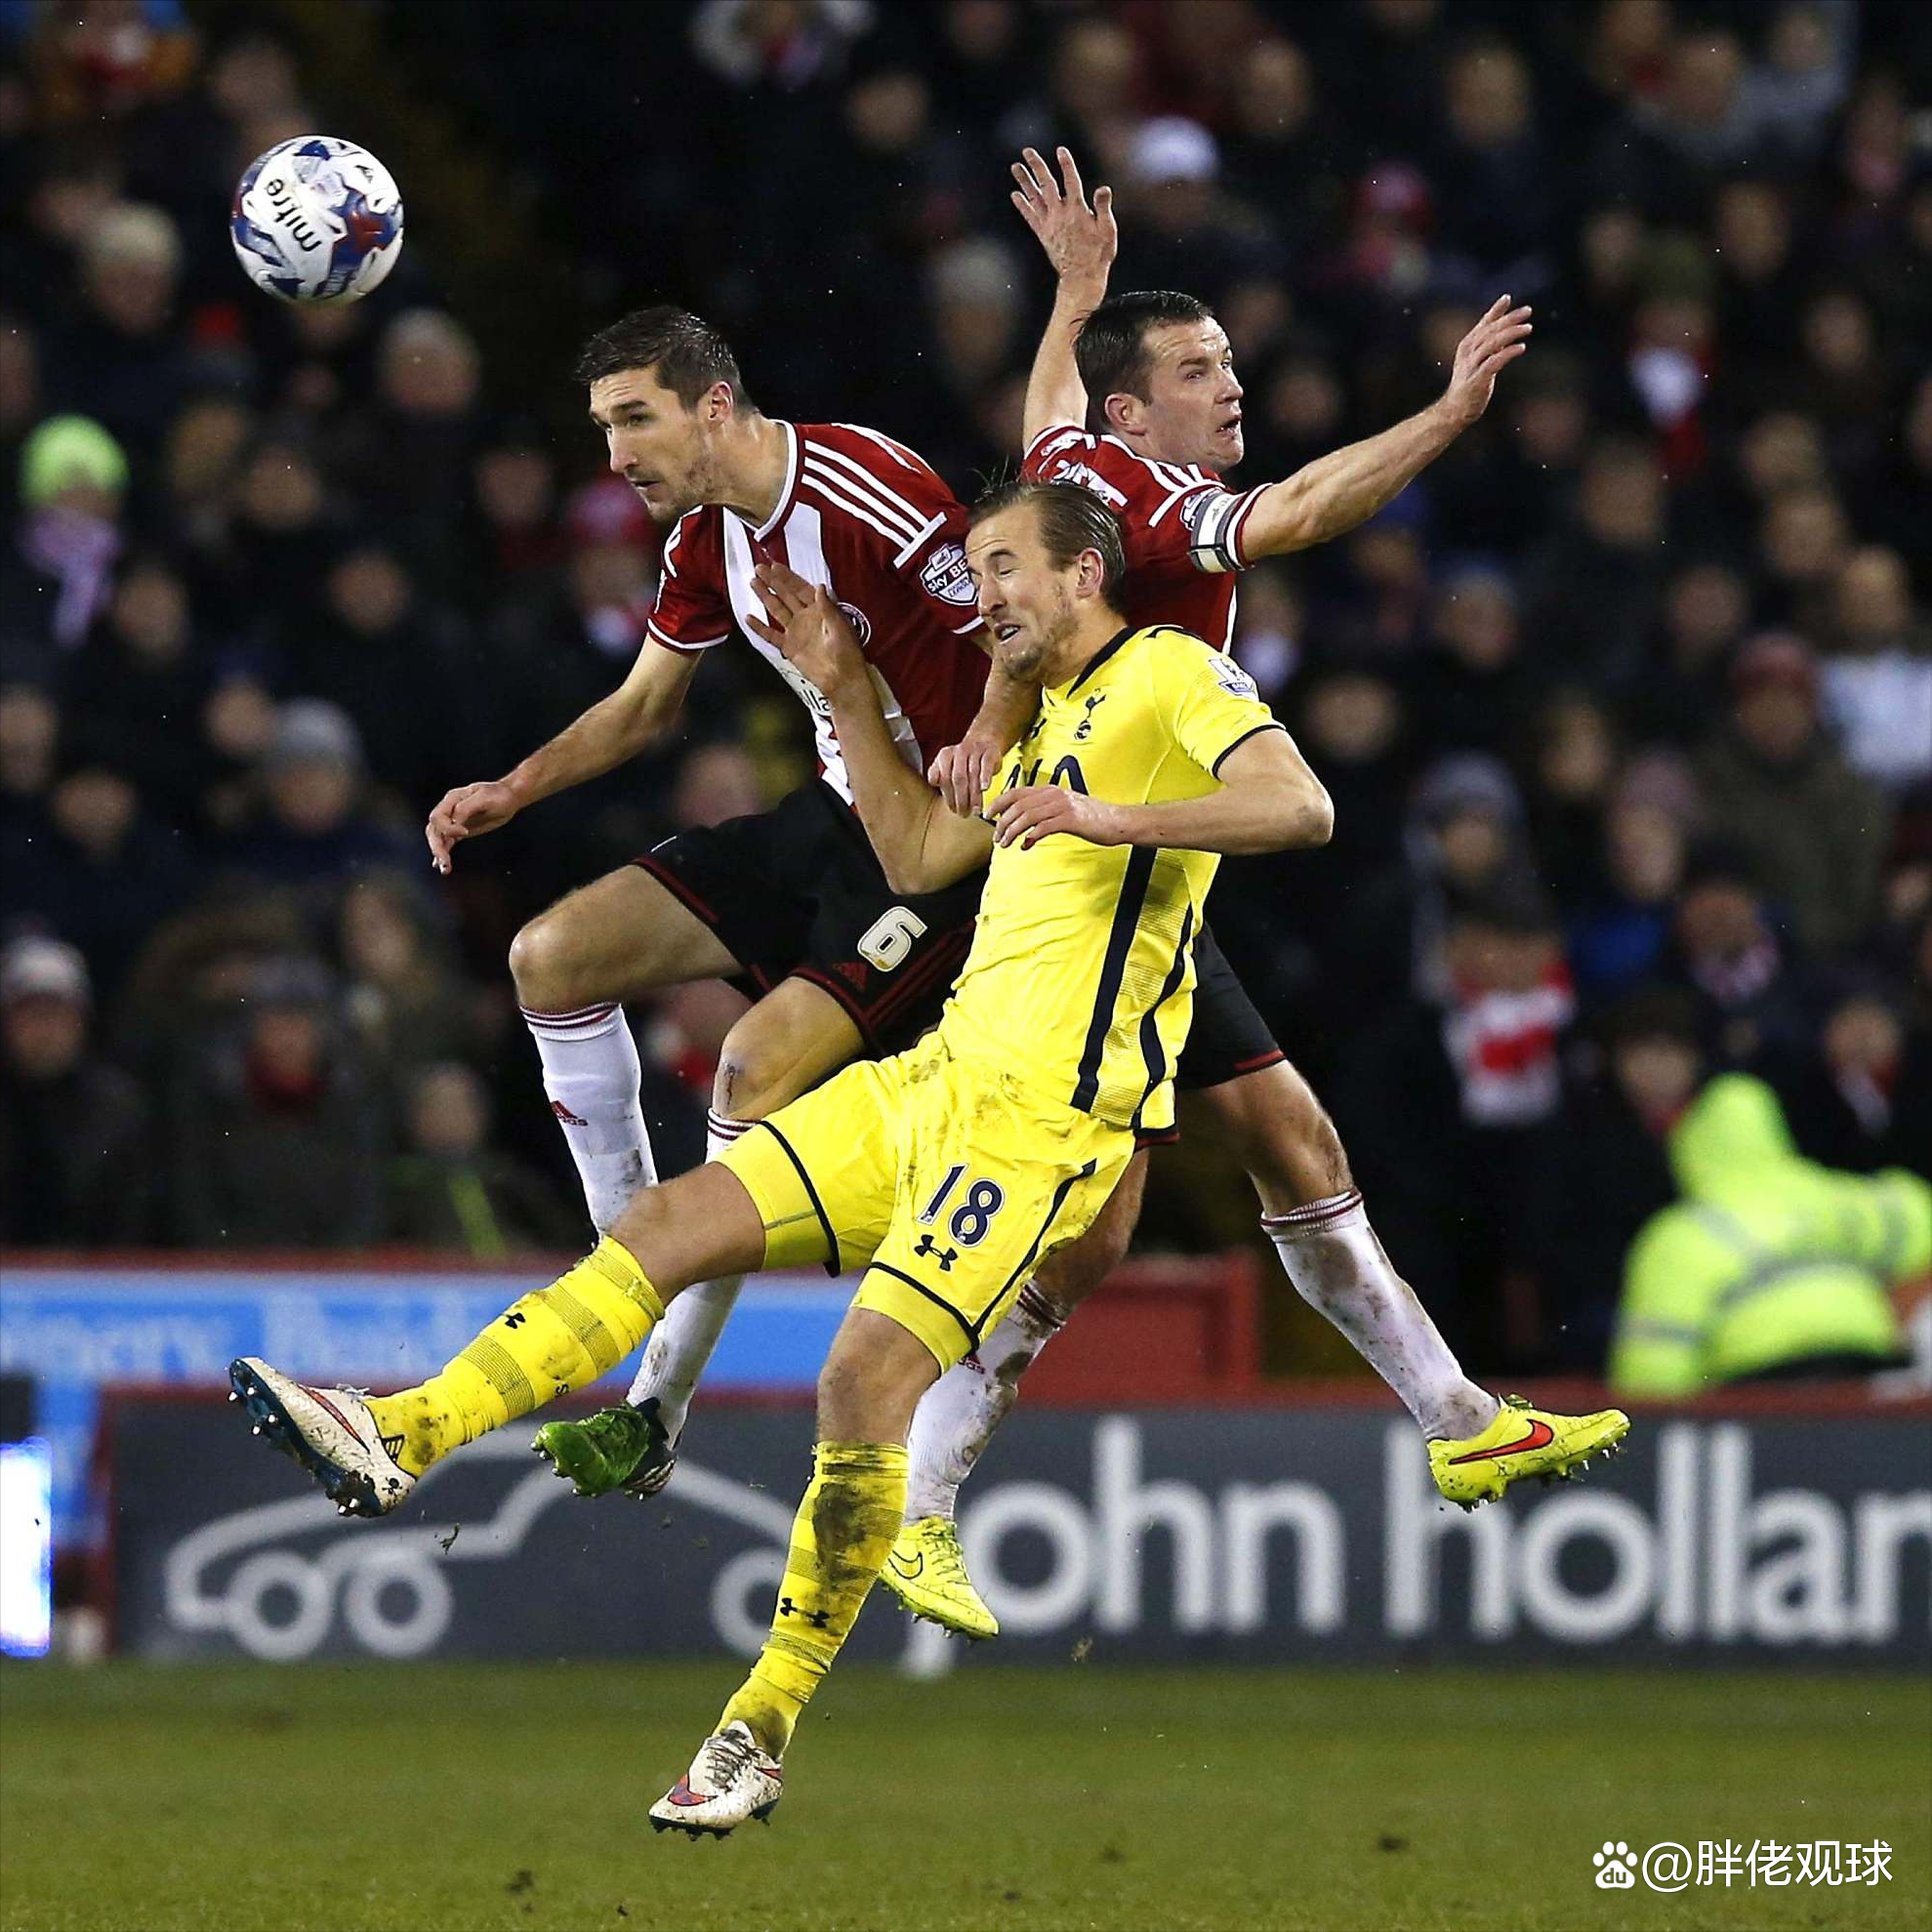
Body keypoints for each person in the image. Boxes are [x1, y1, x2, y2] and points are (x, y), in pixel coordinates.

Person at [543, 151, 1561, 1645]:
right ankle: (904, 1486)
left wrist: (1075, 297)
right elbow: (1290, 517)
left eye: (1228, 361)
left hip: (1127, 856)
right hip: (1086, 859)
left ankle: (1455, 1410)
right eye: (1201, 368)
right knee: (1103, 1205)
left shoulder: (1081, 469)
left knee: (1273, 1143)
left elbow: (1042, 427)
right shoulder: (1150, 505)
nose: (1232, 386)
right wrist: (1447, 414)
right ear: (1140, 411)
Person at [230, 480, 1336, 1830]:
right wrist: (837, 682)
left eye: (1002, 569)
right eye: (975, 570)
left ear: (1083, 568)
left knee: (858, 1380)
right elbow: (921, 848)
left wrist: (1115, 819)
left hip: (1045, 1131)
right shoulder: (1028, 714)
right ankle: (403, 1431)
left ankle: (756, 1727)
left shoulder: (1170, 675)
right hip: (930, 1083)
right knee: (661, 1230)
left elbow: (1297, 808)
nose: (980, 596)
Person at [1609, 1073, 1926, 1397]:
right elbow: (1916, 1215)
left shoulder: (1680, 1235)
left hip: (1762, 1392)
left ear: (1688, 1147)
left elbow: (1654, 1373)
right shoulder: (1831, 1196)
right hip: (1868, 1371)